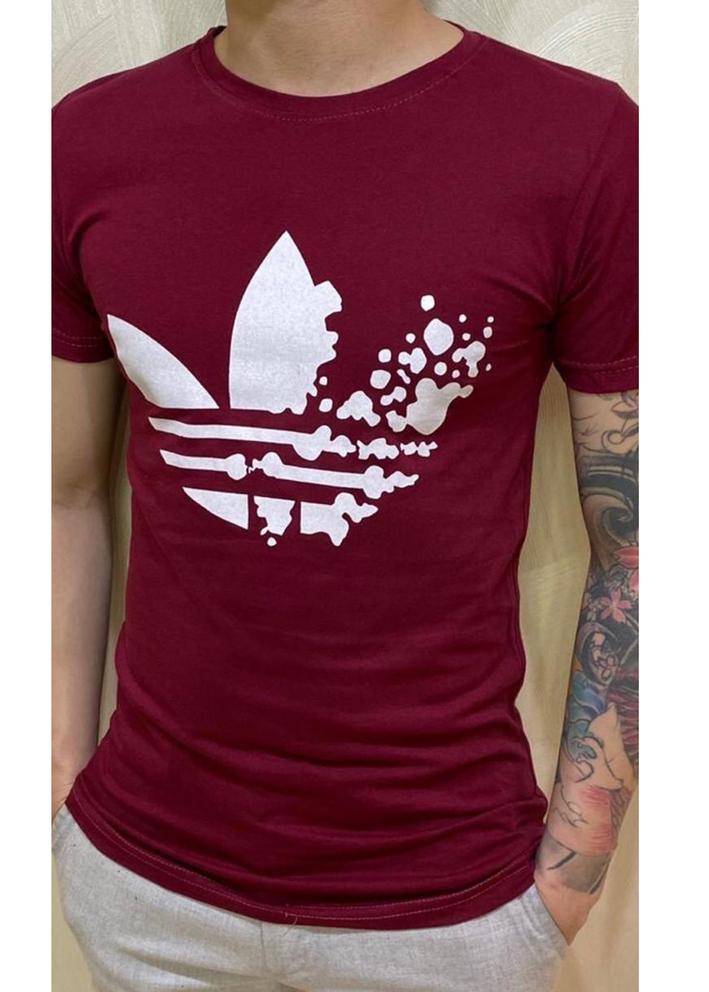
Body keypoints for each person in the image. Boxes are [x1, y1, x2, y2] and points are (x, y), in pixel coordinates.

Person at [52, 2, 638, 990]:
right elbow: (58, 495)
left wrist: (571, 869)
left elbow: (637, 539)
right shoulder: (86, 140)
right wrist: (58, 779)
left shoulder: (582, 142)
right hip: (140, 891)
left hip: (452, 910)